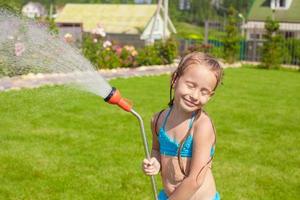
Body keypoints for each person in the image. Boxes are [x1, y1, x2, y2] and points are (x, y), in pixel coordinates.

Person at [142, 52, 223, 200]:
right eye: (191, 85)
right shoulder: (158, 119)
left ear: (210, 96)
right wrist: (155, 162)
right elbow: (156, 149)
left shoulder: (201, 126)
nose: (195, 95)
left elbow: (195, 180)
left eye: (204, 92)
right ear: (174, 79)